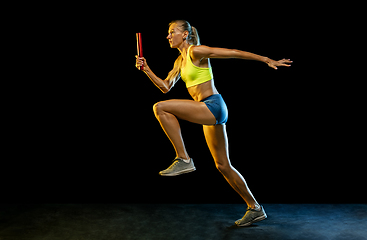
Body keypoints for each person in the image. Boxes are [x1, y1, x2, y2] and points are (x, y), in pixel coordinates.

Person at [135, 20, 292, 227]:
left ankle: (184, 159)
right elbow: (165, 86)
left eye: (172, 32)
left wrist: (265, 59)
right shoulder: (179, 62)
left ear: (185, 35)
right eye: (168, 33)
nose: (168, 36)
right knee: (222, 165)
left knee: (160, 108)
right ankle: (255, 208)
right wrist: (146, 69)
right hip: (207, 110)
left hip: (213, 105)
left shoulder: (196, 51)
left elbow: (233, 52)